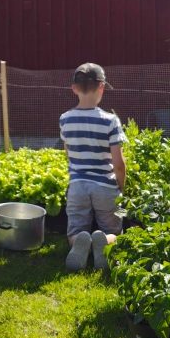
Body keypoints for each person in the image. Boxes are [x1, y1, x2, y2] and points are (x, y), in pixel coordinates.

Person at [59, 63, 127, 271]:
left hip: (78, 185)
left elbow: (68, 153)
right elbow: (119, 164)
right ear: (101, 88)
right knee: (114, 229)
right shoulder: (110, 121)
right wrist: (121, 188)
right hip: (104, 186)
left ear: (74, 88)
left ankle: (81, 241)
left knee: (75, 231)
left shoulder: (65, 119)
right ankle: (106, 242)